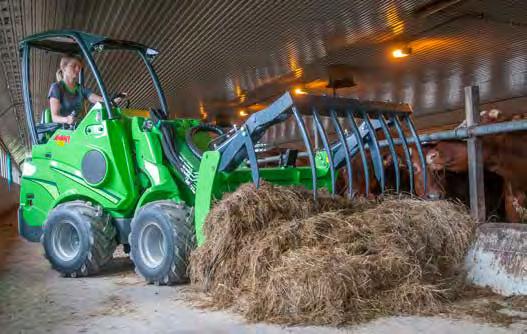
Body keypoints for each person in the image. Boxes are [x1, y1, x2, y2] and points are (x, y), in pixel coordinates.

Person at [48, 55, 125, 125]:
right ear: (64, 68)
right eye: (74, 66)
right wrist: (67, 119)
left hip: (78, 127)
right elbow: (54, 117)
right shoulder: (56, 87)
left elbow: (98, 99)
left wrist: (111, 101)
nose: (78, 69)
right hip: (62, 131)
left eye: (79, 66)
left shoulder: (80, 89)